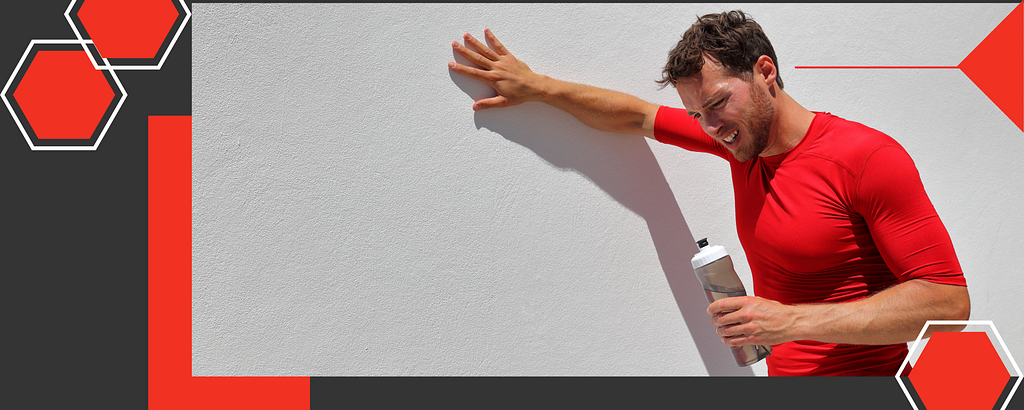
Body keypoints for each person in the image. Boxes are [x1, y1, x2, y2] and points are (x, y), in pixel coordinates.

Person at [447, 10, 970, 376]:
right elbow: (634, 115)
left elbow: (949, 305)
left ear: (766, 71)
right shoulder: (739, 145)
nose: (710, 126)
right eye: (698, 114)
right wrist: (537, 87)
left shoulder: (866, 158)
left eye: (717, 103)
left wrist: (789, 320)